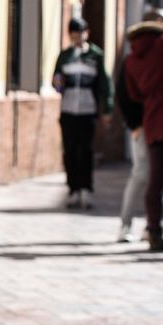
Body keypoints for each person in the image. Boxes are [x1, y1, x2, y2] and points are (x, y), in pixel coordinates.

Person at [120, 6, 163, 253]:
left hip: (152, 125)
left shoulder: (132, 60)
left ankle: (155, 234)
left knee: (155, 182)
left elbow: (134, 94)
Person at [52, 16, 110, 210]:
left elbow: (104, 83)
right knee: (69, 151)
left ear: (87, 33)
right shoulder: (65, 56)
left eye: (81, 32)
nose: (78, 37)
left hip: (87, 111)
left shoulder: (95, 55)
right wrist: (58, 83)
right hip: (68, 110)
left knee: (85, 151)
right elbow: (57, 81)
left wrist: (107, 109)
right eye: (75, 33)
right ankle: (73, 190)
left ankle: (87, 189)